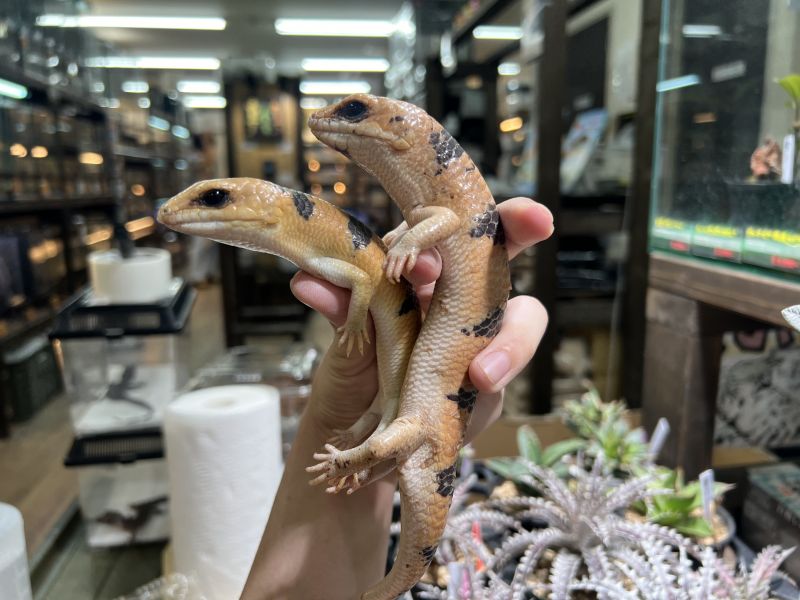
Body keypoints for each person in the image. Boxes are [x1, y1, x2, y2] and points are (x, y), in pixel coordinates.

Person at [241, 197, 553, 600]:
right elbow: (376, 443)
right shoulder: (409, 429)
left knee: (383, 442)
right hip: (407, 404)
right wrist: (347, 459)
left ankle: (395, 583)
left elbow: (376, 446)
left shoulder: (408, 431)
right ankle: (394, 582)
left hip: (406, 409)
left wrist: (345, 461)